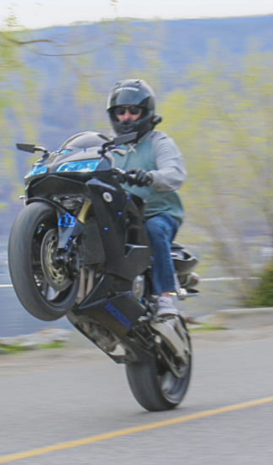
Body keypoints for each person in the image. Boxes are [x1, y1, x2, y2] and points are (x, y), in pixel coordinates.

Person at [106, 78, 187, 317]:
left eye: (134, 111)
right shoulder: (109, 147)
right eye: (121, 112)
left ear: (145, 112)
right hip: (123, 215)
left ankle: (166, 298)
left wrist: (150, 177)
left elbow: (176, 174)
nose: (127, 117)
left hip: (159, 213)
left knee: (153, 228)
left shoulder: (159, 142)